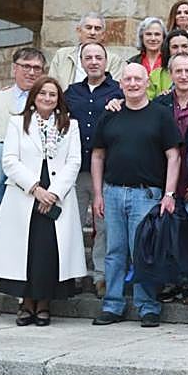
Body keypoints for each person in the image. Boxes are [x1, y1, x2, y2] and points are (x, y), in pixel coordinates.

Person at [91, 64, 182, 328]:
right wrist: (98, 194)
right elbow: (97, 155)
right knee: (114, 252)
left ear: (146, 83)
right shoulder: (110, 115)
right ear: (121, 84)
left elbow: (173, 156)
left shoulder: (161, 115)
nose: (132, 83)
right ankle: (112, 305)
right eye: (127, 79)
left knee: (144, 253)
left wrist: (169, 194)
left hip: (146, 195)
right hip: (113, 193)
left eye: (137, 79)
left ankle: (148, 307)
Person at [0, 77, 84, 326]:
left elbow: (74, 162)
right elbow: (10, 160)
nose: (47, 99)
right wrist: (36, 189)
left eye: (53, 95)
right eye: (43, 94)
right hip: (25, 192)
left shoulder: (69, 125)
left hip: (56, 193)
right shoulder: (17, 123)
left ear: (58, 99)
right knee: (26, 249)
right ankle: (25, 303)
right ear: (34, 97)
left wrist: (53, 193)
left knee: (48, 249)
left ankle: (43, 303)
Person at [0, 48, 50, 316]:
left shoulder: (48, 100)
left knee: (26, 238)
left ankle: (25, 294)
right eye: (26, 66)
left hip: (34, 180)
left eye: (37, 68)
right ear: (15, 68)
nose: (31, 72)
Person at [152, 53, 188, 305]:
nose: (184, 76)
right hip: (167, 179)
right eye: (179, 71)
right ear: (171, 74)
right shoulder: (159, 105)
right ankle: (172, 281)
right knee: (166, 228)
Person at [65, 42, 121, 296]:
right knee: (72, 225)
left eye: (99, 57)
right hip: (74, 170)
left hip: (106, 170)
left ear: (106, 61)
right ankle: (74, 274)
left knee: (104, 227)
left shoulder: (118, 91)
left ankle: (101, 276)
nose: (94, 61)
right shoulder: (71, 92)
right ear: (82, 62)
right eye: (88, 57)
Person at [47, 12, 130, 87]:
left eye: (97, 29)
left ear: (103, 35)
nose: (92, 32)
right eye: (88, 28)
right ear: (79, 31)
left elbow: (115, 90)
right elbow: (51, 86)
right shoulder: (62, 56)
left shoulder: (115, 61)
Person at [150, 28, 188, 99]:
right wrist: (160, 99)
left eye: (184, 46)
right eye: (175, 47)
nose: (180, 51)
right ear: (168, 50)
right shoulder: (155, 76)